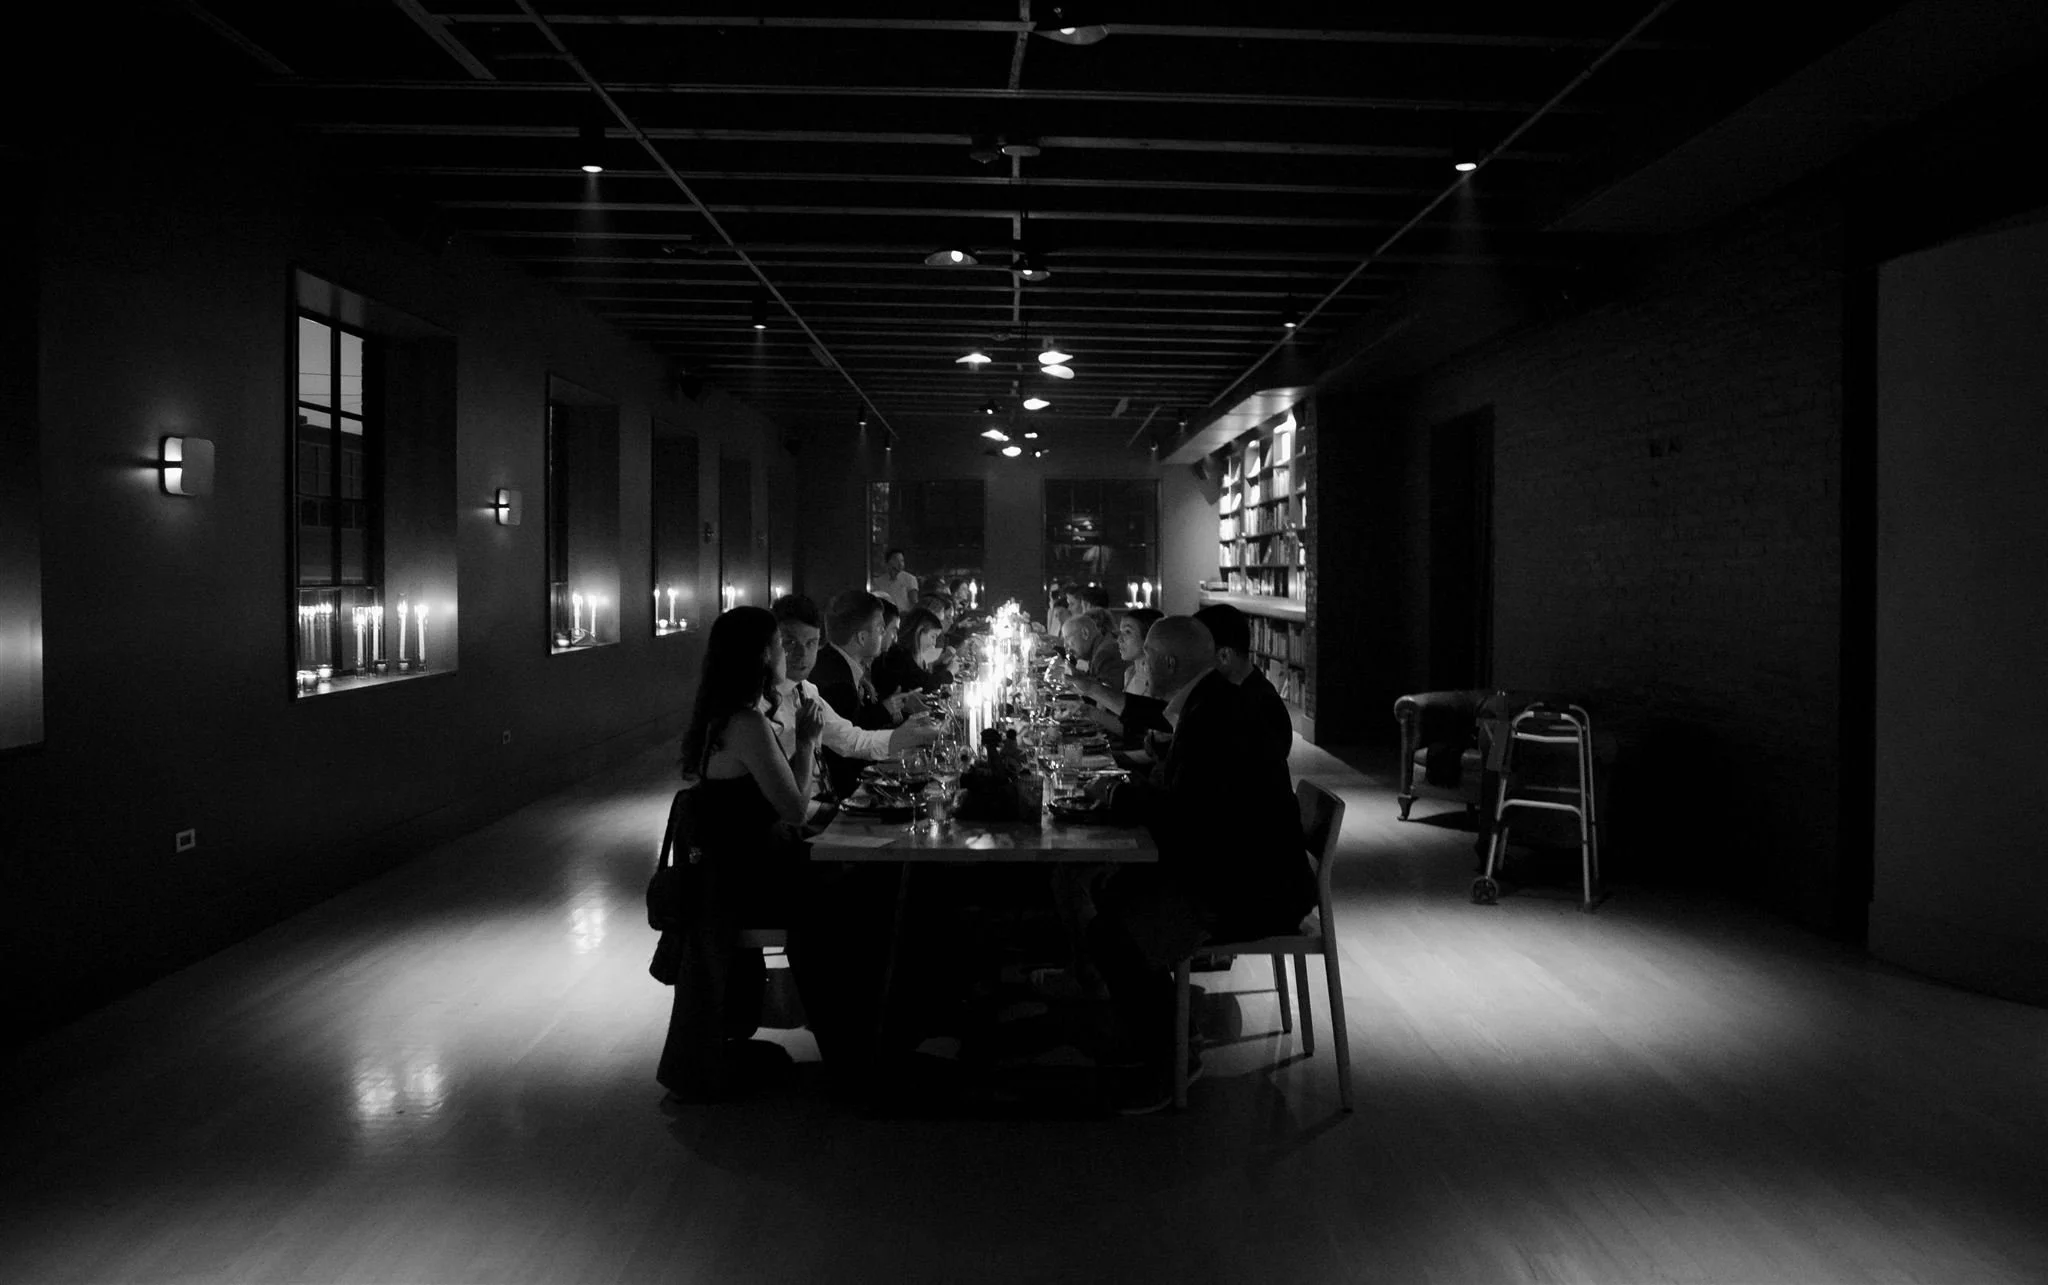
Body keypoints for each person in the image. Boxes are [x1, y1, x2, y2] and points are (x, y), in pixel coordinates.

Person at [1083, 615, 1315, 1112]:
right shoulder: (1211, 701)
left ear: (1169, 662)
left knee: (1112, 931)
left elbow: (1188, 818)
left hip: (1249, 889)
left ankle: (1171, 1065)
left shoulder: (1213, 716)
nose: (1143, 664)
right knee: (1111, 890)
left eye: (1147, 656)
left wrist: (1117, 796)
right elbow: (1193, 807)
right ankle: (1171, 1032)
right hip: (1245, 866)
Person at [656, 606, 822, 1101]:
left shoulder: (725, 715)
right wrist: (809, 743)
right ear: (761, 656)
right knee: (847, 892)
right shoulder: (746, 723)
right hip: (743, 883)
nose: (785, 654)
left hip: (729, 873)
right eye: (778, 645)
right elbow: (793, 807)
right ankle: (848, 1025)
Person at [764, 595, 939, 798]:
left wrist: (907, 735)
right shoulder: (756, 705)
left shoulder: (806, 690)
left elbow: (851, 740)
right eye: (790, 643)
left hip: (822, 806)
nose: (802, 653)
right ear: (771, 645)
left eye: (811, 643)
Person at [811, 590, 909, 797]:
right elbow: (846, 752)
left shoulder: (839, 664)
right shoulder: (837, 682)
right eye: (881, 629)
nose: (885, 635)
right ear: (862, 637)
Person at [874, 606, 952, 700]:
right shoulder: (898, 655)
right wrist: (950, 672)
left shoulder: (914, 655)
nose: (934, 643)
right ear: (919, 631)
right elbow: (925, 683)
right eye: (933, 636)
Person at [876, 547, 920, 613]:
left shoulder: (909, 579)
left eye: (902, 560)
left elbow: (914, 601)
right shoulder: (879, 582)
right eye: (896, 560)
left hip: (905, 617)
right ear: (888, 562)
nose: (900, 564)